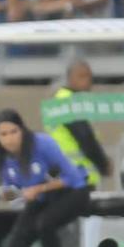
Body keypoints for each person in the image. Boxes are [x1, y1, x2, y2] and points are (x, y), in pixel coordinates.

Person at [0, 109, 90, 247]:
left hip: (72, 192)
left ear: (22, 130)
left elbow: (73, 177)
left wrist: (39, 188)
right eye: (3, 134)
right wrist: (10, 194)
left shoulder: (42, 144)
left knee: (45, 224)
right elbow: (15, 192)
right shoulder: (3, 159)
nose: (9, 139)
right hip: (40, 198)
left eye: (13, 132)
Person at [48, 60, 112, 190]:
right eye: (81, 76)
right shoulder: (70, 101)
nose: (87, 81)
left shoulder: (59, 99)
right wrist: (104, 164)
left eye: (89, 76)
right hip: (78, 174)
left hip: (64, 173)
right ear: (70, 78)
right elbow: (85, 138)